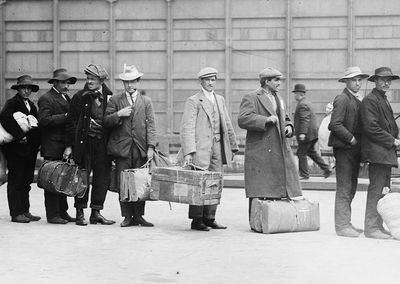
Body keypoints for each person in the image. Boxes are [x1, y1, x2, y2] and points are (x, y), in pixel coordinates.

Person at [238, 67, 302, 227]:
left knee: (275, 187)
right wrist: (264, 120)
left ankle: (271, 222)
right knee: (259, 188)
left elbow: (286, 117)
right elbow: (243, 119)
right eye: (276, 80)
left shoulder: (279, 99)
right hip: (260, 150)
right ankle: (256, 223)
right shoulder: (252, 97)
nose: (279, 83)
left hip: (278, 148)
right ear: (266, 82)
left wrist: (289, 127)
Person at [179, 67, 239, 231]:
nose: (211, 83)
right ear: (201, 81)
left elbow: (227, 123)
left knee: (215, 182)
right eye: (207, 80)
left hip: (218, 146)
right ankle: (197, 219)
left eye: (213, 79)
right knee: (198, 183)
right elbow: (187, 127)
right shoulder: (193, 100)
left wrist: (233, 146)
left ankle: (210, 217)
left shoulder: (220, 99)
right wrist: (189, 151)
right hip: (201, 148)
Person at [104, 64, 156, 228]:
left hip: (140, 148)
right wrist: (119, 114)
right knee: (124, 183)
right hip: (122, 149)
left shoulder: (146, 101)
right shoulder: (115, 100)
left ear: (138, 82)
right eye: (126, 82)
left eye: (133, 81)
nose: (130, 85)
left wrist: (151, 147)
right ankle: (127, 216)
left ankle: (139, 216)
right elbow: (106, 121)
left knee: (140, 183)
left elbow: (151, 126)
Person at [66, 64, 115, 226]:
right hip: (84, 144)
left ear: (101, 80)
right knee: (81, 178)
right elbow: (71, 123)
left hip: (103, 144)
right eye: (88, 78)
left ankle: (96, 212)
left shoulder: (110, 96)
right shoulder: (79, 97)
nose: (89, 81)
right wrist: (70, 145)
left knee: (102, 178)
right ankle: (80, 212)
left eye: (93, 79)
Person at [328, 66, 369, 238]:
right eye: (353, 80)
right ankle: (342, 226)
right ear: (346, 82)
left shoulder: (356, 100)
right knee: (344, 188)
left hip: (353, 151)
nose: (358, 83)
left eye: (360, 80)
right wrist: (351, 138)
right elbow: (334, 124)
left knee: (351, 187)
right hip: (345, 150)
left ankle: (347, 223)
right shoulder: (343, 99)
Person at [360, 66, 400, 239]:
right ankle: (371, 228)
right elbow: (371, 127)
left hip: (384, 153)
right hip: (378, 154)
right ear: (375, 81)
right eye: (383, 79)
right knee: (376, 190)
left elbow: (389, 125)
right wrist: (392, 140)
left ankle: (377, 225)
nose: (386, 83)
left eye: (389, 80)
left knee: (384, 190)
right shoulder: (371, 100)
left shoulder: (382, 99)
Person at [38, 68, 77, 224]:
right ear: (55, 82)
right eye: (63, 82)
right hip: (52, 146)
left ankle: (62, 212)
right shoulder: (46, 98)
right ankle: (53, 215)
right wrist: (66, 117)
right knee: (51, 180)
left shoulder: (65, 97)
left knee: (63, 179)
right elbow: (44, 120)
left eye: (68, 82)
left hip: (62, 146)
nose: (66, 85)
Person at [0, 75, 41, 223]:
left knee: (26, 181)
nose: (26, 91)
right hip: (15, 150)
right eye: (23, 88)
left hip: (29, 151)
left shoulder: (31, 105)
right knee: (16, 181)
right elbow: (5, 118)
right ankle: (16, 213)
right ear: (18, 89)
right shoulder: (12, 103)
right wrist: (19, 135)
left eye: (29, 88)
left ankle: (25, 210)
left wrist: (37, 143)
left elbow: (36, 125)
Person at [293, 83, 331, 180]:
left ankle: (304, 175)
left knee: (301, 153)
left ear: (300, 94)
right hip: (312, 134)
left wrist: (302, 133)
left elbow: (304, 119)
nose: (295, 95)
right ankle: (327, 168)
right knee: (311, 152)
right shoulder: (307, 103)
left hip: (307, 135)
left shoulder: (302, 105)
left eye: (296, 93)